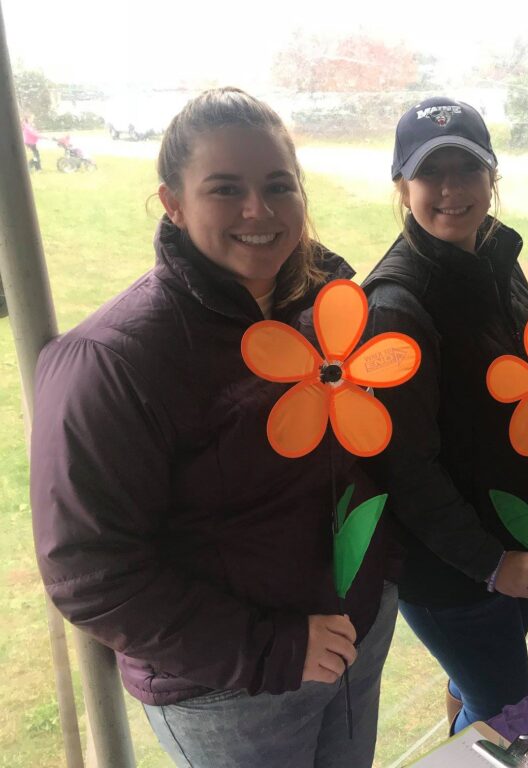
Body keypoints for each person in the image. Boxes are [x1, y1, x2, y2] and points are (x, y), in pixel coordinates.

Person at [30, 88, 396, 768]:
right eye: (226, 189)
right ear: (172, 201)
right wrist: (274, 648)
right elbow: (90, 573)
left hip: (355, 634)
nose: (259, 211)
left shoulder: (324, 305)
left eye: (278, 186)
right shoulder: (115, 359)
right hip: (231, 693)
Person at [361, 97, 528, 733]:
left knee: (474, 688)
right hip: (457, 574)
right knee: (507, 714)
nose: (451, 190)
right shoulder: (398, 306)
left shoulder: (496, 256)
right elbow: (405, 468)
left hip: (512, 537)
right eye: (430, 173)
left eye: (468, 170)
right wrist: (492, 564)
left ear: (493, 177)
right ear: (402, 186)